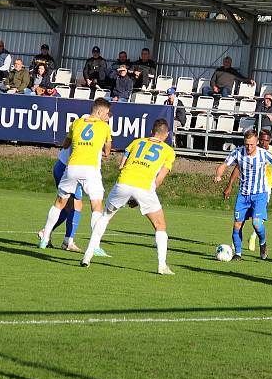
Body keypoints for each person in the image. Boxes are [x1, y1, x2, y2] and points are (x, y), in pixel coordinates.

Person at [81, 119, 176, 274]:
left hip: (124, 182)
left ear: (152, 131)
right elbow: (159, 178)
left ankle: (88, 255)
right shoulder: (168, 151)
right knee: (160, 225)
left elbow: (122, 165)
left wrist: (130, 195)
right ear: (166, 135)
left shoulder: (137, 142)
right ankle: (162, 265)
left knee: (105, 217)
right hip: (144, 187)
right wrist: (140, 197)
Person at [37, 98, 113, 251]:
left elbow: (65, 144)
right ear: (99, 112)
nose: (108, 117)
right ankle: (89, 245)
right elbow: (107, 151)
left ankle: (49, 238)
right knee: (88, 205)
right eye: (107, 114)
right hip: (81, 167)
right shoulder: (102, 127)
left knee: (63, 203)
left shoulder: (77, 122)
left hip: (69, 167)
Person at [213, 130, 272, 261]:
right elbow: (224, 165)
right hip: (243, 195)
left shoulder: (263, 154)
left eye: (252, 144)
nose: (249, 147)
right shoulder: (238, 152)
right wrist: (218, 175)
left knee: (257, 223)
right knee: (237, 225)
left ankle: (263, 243)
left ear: (257, 142)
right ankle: (238, 254)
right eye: (247, 144)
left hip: (259, 194)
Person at [223, 130, 272, 253]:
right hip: (245, 192)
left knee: (257, 222)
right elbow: (237, 167)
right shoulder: (242, 153)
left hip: (264, 188)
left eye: (266, 140)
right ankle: (238, 251)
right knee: (238, 224)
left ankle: (258, 240)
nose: (264, 142)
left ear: (270, 140)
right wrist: (229, 185)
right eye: (262, 140)